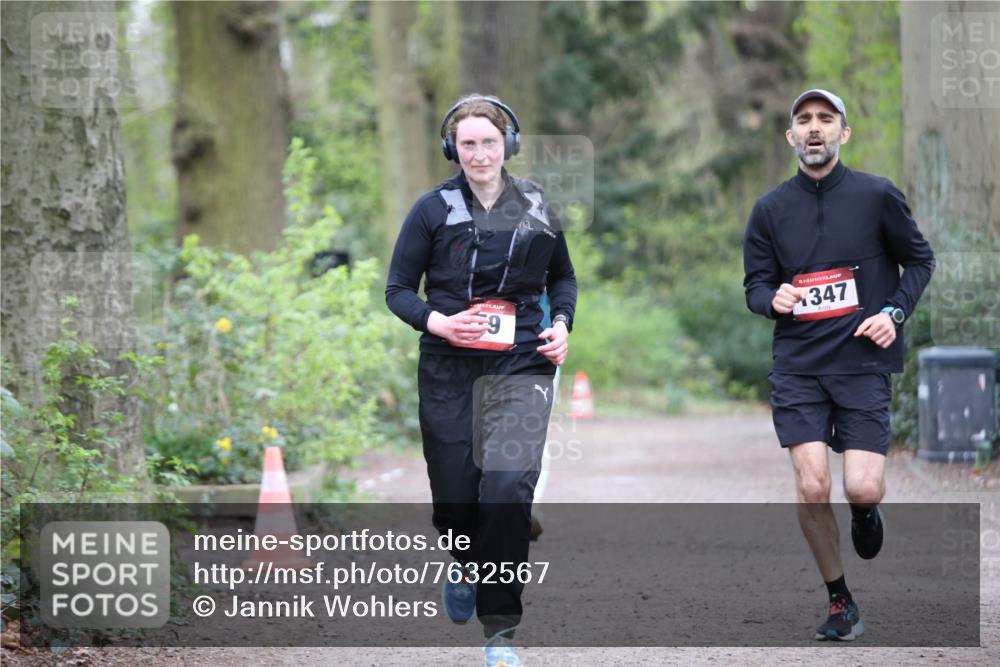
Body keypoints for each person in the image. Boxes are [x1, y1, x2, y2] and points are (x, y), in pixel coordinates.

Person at [386, 95, 576, 666]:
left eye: (488, 142)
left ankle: (500, 634)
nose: (479, 153)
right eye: (467, 143)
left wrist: (563, 324)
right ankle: (465, 562)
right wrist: (438, 321)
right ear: (453, 149)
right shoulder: (432, 210)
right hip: (449, 367)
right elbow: (397, 290)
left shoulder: (539, 203)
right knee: (456, 499)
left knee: (506, 489)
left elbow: (563, 278)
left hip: (522, 363)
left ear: (507, 145)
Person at [742, 89, 934, 641]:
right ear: (790, 137)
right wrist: (769, 299)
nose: (814, 128)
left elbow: (920, 260)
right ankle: (839, 601)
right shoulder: (770, 209)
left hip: (861, 363)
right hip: (799, 364)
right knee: (811, 485)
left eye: (826, 119)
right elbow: (755, 283)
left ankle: (867, 513)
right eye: (803, 120)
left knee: (863, 489)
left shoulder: (877, 196)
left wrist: (894, 311)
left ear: (843, 133)